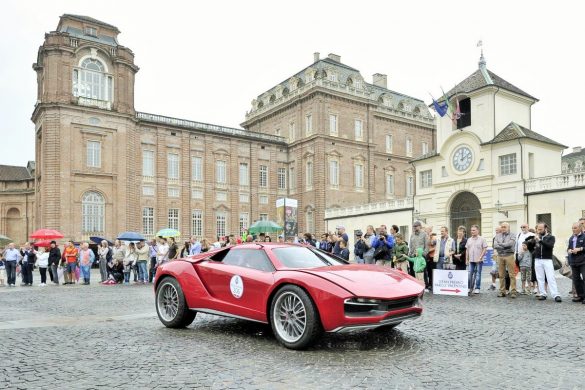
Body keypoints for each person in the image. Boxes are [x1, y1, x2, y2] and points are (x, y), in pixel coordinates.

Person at [534, 222, 561, 302]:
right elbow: (531, 247)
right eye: (538, 229)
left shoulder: (551, 237)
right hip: (538, 259)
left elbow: (549, 246)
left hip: (547, 260)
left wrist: (540, 241)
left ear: (545, 229)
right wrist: (532, 242)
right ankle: (543, 293)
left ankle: (556, 294)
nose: (539, 231)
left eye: (540, 229)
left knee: (550, 277)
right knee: (540, 277)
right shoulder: (536, 237)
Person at [494, 222, 517, 298]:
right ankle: (502, 291)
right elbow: (495, 245)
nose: (503, 228)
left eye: (504, 227)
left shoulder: (513, 235)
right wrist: (504, 245)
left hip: (509, 255)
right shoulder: (497, 235)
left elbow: (510, 244)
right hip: (500, 256)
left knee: (512, 275)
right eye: (502, 227)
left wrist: (500, 244)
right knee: (501, 275)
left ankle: (513, 291)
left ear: (508, 228)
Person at [465, 225, 487, 294]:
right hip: (471, 260)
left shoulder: (482, 239)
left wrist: (480, 257)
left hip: (479, 260)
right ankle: (469, 287)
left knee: (478, 274)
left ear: (478, 231)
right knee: (469, 274)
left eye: (474, 230)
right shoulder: (469, 239)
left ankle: (477, 288)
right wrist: (467, 259)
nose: (472, 232)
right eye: (471, 230)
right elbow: (467, 250)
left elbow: (485, 248)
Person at [567, 222, 585, 304]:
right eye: (572, 228)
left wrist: (580, 249)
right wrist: (569, 250)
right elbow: (569, 248)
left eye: (575, 228)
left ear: (580, 228)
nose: (573, 229)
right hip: (573, 261)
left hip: (583, 261)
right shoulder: (571, 238)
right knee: (576, 279)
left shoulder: (584, 236)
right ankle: (581, 296)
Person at [409, 221, 428, 288]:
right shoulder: (412, 235)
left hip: (421, 256)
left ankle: (425, 286)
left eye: (416, 226)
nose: (414, 228)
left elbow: (426, 246)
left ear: (420, 226)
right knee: (413, 271)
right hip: (414, 255)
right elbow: (411, 245)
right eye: (414, 226)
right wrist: (410, 253)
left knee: (422, 271)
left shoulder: (424, 234)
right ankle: (415, 285)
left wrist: (424, 254)